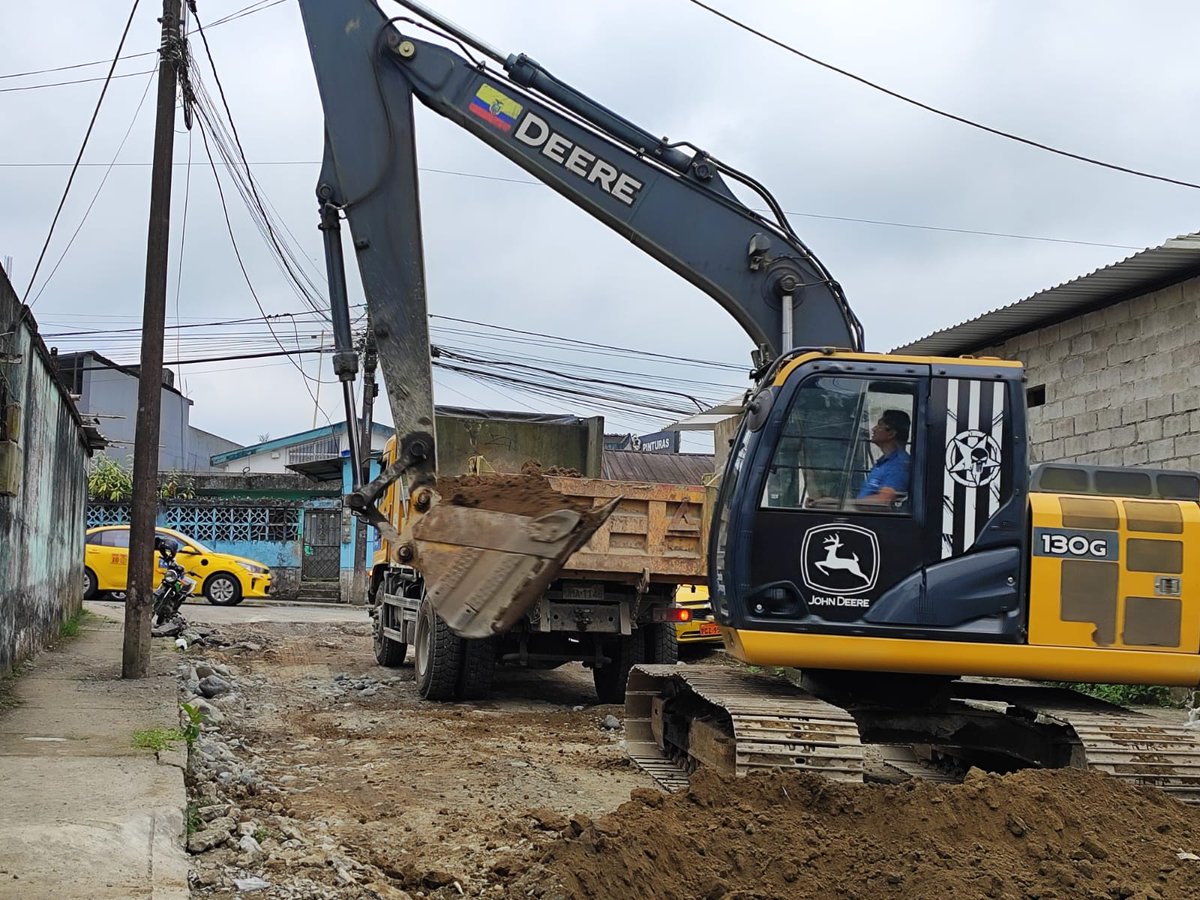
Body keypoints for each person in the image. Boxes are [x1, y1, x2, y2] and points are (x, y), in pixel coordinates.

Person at [855, 409, 911, 506]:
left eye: (880, 425)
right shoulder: (884, 462)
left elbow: (884, 500)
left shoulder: (899, 464)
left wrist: (849, 505)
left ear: (891, 434)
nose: (874, 429)